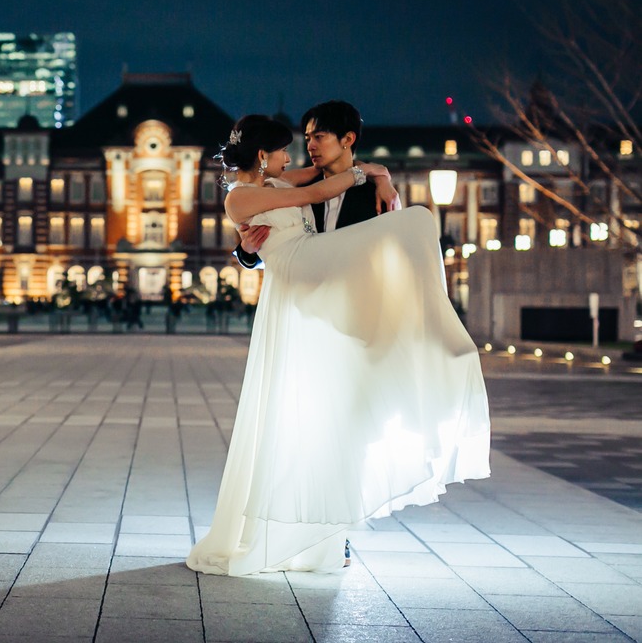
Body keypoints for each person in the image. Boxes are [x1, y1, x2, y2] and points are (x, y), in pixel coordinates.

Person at [187, 115, 490, 576]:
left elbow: (321, 180)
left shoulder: (282, 179)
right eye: (291, 146)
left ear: (345, 138)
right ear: (264, 154)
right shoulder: (247, 194)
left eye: (313, 139)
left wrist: (382, 176)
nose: (300, 152)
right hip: (301, 269)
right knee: (418, 224)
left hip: (325, 278)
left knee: (416, 225)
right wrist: (248, 249)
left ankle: (428, 334)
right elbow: (309, 195)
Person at [233, 100, 400, 267]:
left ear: (348, 139)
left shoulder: (377, 196)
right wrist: (246, 253)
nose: (310, 146)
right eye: (307, 139)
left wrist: (381, 177)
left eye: (319, 137)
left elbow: (391, 256)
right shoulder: (296, 190)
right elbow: (277, 247)